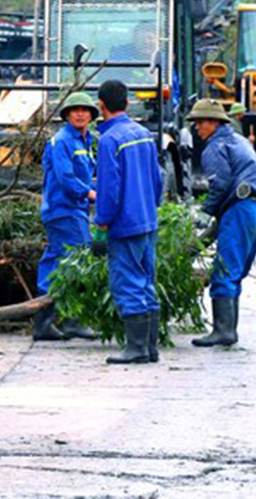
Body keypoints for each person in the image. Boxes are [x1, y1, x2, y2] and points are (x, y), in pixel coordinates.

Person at [186, 100, 256, 347]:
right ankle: (227, 328)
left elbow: (220, 184)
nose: (197, 128)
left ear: (215, 122)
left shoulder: (215, 147)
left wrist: (206, 211)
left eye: (201, 122)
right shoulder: (239, 140)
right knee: (235, 270)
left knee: (225, 269)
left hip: (237, 209)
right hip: (251, 208)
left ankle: (223, 331)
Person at [94, 79, 164, 365]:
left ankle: (135, 349)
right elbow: (158, 179)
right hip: (148, 220)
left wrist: (102, 222)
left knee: (128, 282)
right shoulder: (144, 134)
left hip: (124, 224)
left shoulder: (110, 140)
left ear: (101, 105)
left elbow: (109, 190)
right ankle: (149, 348)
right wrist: (151, 206)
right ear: (126, 102)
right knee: (146, 280)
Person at [33, 92, 100, 342]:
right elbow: (66, 179)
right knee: (80, 259)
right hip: (64, 210)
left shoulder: (86, 141)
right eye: (75, 110)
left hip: (73, 210)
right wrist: (91, 194)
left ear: (92, 115)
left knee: (53, 263)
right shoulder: (61, 141)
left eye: (85, 110)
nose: (80, 113)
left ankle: (43, 324)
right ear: (67, 115)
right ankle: (74, 321)